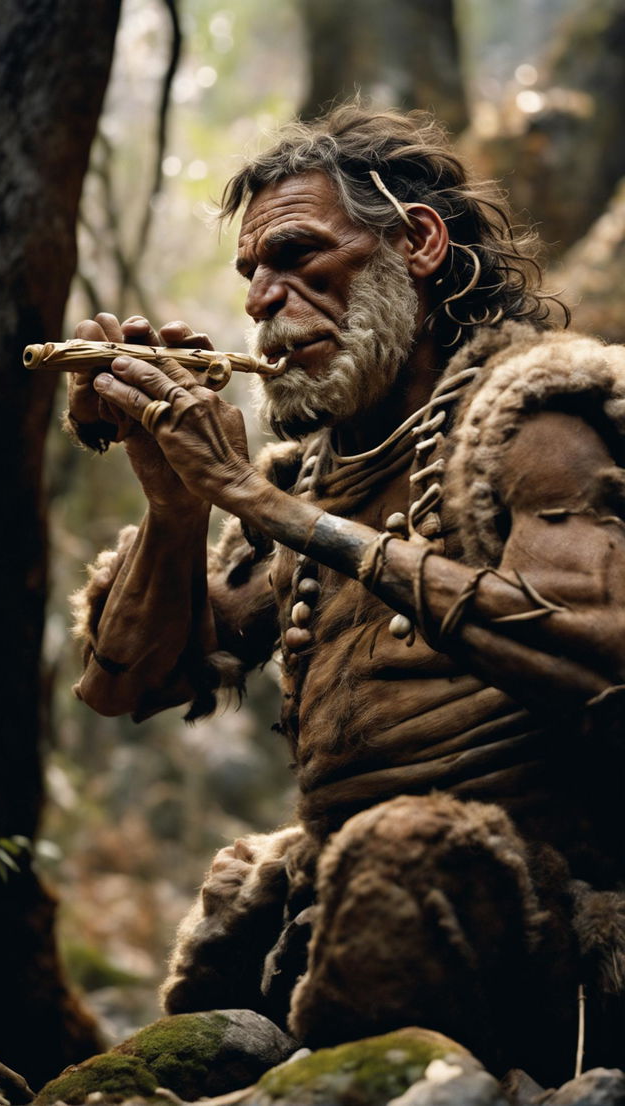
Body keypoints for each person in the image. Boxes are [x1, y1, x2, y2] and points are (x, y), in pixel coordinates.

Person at [67, 105, 625, 1084]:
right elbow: (125, 684)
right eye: (251, 274)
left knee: (403, 853)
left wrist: (249, 497)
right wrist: (173, 501)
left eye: (295, 255)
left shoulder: (534, 418)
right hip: (336, 911)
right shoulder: (301, 480)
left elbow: (602, 649)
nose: (262, 301)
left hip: (539, 921)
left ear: (417, 242)